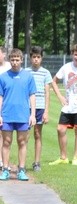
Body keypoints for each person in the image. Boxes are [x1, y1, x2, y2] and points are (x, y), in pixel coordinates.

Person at [0, 48, 36, 181]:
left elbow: (32, 95)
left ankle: (21, 170)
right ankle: (5, 169)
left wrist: (32, 115)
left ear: (21, 60)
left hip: (22, 115)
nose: (15, 62)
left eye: (17, 60)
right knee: (6, 142)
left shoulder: (28, 76)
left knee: (22, 142)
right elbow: (0, 97)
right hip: (7, 115)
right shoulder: (3, 77)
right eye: (12, 60)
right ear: (9, 61)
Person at [26, 46, 52, 172]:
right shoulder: (25, 72)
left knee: (37, 134)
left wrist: (46, 111)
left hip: (40, 107)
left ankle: (36, 162)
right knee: (25, 135)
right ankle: (22, 163)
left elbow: (47, 93)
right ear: (30, 58)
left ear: (41, 58)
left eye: (38, 57)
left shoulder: (45, 73)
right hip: (27, 107)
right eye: (34, 57)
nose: (36, 59)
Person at [0, 46, 12, 170]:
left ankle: (4, 160)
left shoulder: (9, 66)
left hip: (7, 102)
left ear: (3, 54)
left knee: (5, 133)